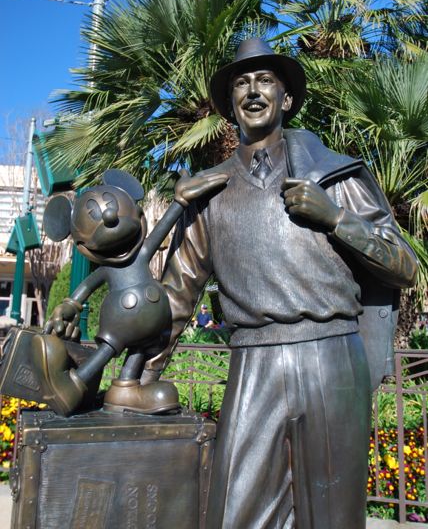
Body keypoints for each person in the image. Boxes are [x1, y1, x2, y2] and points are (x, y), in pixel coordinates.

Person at [142, 38, 418, 529]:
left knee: (331, 517)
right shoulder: (210, 192)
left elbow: (403, 266)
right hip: (255, 363)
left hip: (332, 358)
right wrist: (137, 376)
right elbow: (177, 296)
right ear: (230, 105)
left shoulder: (333, 177)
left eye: (265, 80)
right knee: (234, 514)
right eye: (241, 84)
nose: (252, 91)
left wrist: (336, 218)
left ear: (286, 98)